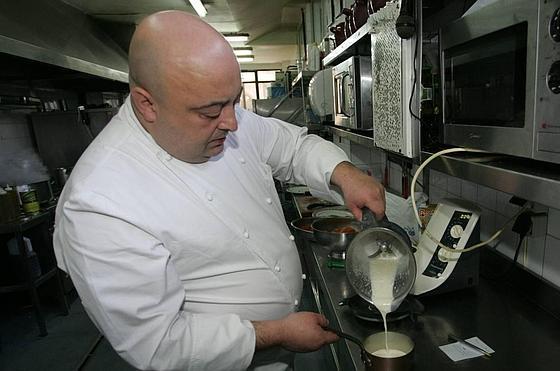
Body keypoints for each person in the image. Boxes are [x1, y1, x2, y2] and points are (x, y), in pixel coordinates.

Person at [53, 10, 385, 371]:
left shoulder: (222, 114)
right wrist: (275, 333)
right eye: (210, 112)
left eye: (233, 101)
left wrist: (344, 173)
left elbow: (292, 147)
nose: (230, 122)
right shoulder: (98, 205)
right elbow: (160, 345)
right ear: (147, 103)